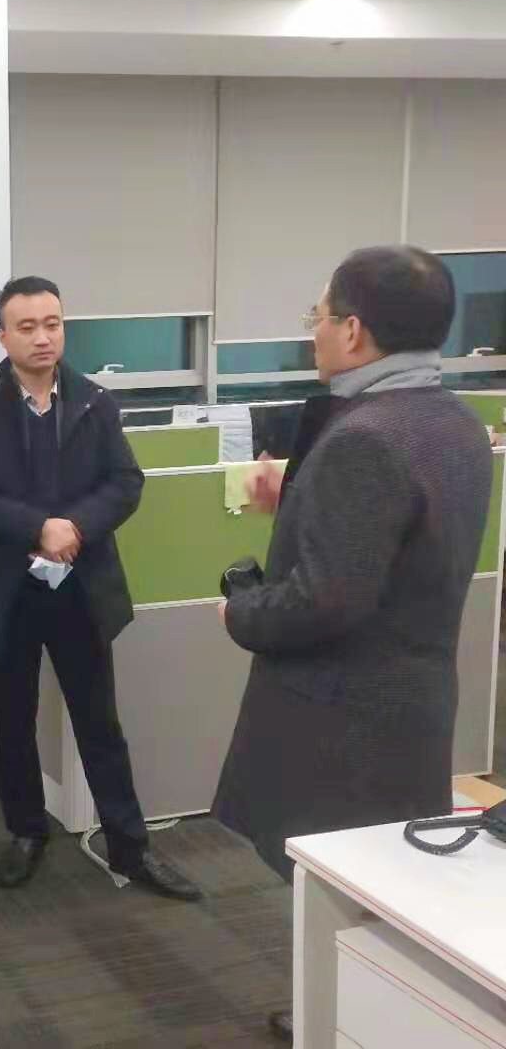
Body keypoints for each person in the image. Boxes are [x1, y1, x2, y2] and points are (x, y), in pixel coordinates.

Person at [214, 246, 492, 1043]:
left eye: (321, 315)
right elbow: (398, 546)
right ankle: (339, 1013)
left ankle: (343, 1022)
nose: (315, 331)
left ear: (355, 330)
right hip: (411, 698)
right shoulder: (454, 422)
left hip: (343, 716)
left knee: (344, 882)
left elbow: (327, 600)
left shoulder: (365, 437)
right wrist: (301, 501)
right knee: (381, 881)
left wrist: (240, 615)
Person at [0, 276, 201, 901]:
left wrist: (74, 528)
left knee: (99, 722)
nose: (43, 337)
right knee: (14, 722)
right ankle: (27, 832)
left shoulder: (95, 402)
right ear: (2, 336)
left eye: (53, 324)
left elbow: (125, 482)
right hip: (8, 591)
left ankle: (130, 846)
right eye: (27, 327)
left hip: (79, 587)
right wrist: (38, 527)